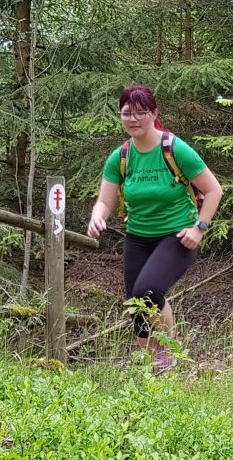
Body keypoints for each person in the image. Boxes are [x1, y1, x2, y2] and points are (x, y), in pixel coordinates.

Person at [86, 86, 223, 369]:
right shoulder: (121, 156)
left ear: (154, 114)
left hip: (177, 235)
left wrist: (199, 228)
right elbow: (105, 200)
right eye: (127, 113)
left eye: (140, 113)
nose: (133, 119)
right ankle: (150, 367)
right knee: (135, 305)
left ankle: (169, 351)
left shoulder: (174, 149)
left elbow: (214, 190)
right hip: (138, 236)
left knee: (147, 291)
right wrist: (97, 216)